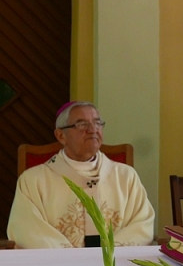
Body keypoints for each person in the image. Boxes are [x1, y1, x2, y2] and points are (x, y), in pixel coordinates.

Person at [8, 101, 154, 248]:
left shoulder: (125, 176)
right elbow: (28, 229)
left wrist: (106, 254)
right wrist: (74, 259)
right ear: (61, 136)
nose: (92, 129)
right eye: (81, 124)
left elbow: (142, 225)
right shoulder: (33, 180)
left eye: (97, 123)